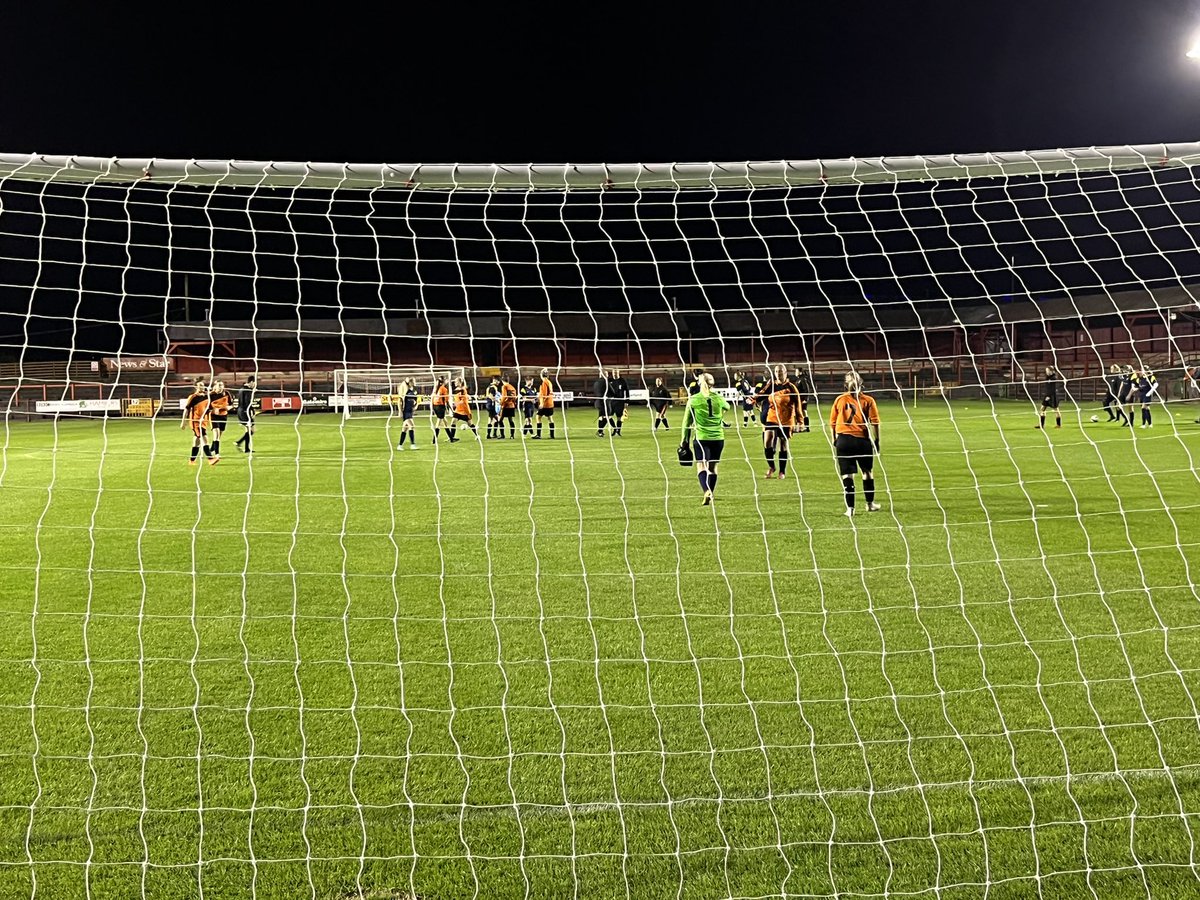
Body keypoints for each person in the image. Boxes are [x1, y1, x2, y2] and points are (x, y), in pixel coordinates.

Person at [830, 371, 881, 518]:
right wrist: (877, 441)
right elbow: (875, 422)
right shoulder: (868, 400)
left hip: (844, 440)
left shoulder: (839, 399)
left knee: (847, 475)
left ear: (845, 385)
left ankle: (850, 509)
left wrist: (835, 439)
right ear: (861, 383)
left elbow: (832, 423)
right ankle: (870, 504)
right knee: (867, 472)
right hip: (862, 441)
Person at [681, 372, 731, 506]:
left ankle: (706, 491)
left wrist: (684, 440)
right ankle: (711, 492)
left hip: (702, 438)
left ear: (699, 383)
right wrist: (719, 415)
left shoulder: (693, 400)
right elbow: (728, 406)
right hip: (718, 438)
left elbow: (686, 423)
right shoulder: (718, 398)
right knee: (713, 467)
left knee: (701, 466)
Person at [763, 365, 801, 479]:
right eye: (776, 371)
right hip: (772, 417)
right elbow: (762, 393)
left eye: (780, 371)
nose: (778, 373)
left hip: (786, 419)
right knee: (767, 440)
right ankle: (771, 466)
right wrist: (754, 399)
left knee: (783, 444)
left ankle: (782, 471)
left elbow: (798, 405)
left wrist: (800, 421)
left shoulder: (791, 387)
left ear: (785, 372)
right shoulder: (771, 385)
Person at [180, 377, 217, 466]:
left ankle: (192, 460)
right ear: (196, 387)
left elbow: (209, 409)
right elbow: (186, 409)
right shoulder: (193, 397)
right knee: (204, 438)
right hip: (195, 422)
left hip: (203, 421)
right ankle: (210, 459)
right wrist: (183, 422)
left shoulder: (206, 397)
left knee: (196, 441)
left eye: (203, 385)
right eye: (200, 385)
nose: (202, 387)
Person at [207, 379, 230, 459]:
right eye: (219, 385)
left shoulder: (226, 394)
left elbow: (232, 405)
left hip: (223, 416)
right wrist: (212, 410)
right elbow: (207, 407)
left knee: (219, 436)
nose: (221, 387)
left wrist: (227, 408)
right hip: (214, 416)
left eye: (222, 385)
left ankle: (212, 449)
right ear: (215, 386)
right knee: (216, 434)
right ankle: (217, 454)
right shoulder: (211, 395)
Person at [234, 374, 256, 455]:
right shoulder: (248, 390)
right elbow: (247, 403)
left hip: (240, 411)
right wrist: (252, 411)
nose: (254, 385)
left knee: (248, 430)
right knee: (252, 430)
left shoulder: (241, 389)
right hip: (245, 411)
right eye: (254, 383)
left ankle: (247, 448)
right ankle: (239, 442)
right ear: (251, 382)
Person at [396, 379, 420, 449]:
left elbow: (414, 402)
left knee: (404, 429)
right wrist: (400, 411)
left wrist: (415, 406)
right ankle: (412, 445)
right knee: (411, 426)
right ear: (409, 382)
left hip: (410, 412)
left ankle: (400, 445)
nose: (414, 383)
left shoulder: (413, 392)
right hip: (405, 411)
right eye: (413, 381)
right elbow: (400, 401)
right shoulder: (405, 391)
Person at [1037, 366, 1062, 430]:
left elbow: (1053, 389)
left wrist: (1049, 396)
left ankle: (1058, 425)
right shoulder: (1048, 377)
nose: (1047, 372)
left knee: (1056, 410)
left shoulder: (1054, 378)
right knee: (1042, 409)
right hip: (1047, 395)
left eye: (1048, 371)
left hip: (1052, 396)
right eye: (1046, 371)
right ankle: (1041, 425)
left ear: (1052, 371)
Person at [534, 368, 556, 439]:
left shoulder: (544, 383)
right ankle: (552, 435)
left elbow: (544, 395)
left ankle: (538, 435)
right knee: (550, 418)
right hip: (550, 403)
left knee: (538, 417)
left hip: (545, 404)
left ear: (541, 375)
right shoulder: (549, 382)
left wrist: (542, 403)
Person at [609, 368, 629, 436]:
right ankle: (614, 428)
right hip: (611, 402)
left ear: (618, 373)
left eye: (616, 372)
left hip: (620, 402)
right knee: (608, 416)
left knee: (619, 418)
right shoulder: (609, 381)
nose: (614, 373)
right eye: (613, 372)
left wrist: (627, 401)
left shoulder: (622, 381)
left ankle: (618, 431)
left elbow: (627, 391)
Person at [793, 367, 813, 432]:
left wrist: (805, 399)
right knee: (801, 412)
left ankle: (804, 428)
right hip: (798, 399)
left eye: (796, 371)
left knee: (802, 412)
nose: (795, 373)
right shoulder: (798, 380)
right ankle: (802, 428)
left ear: (800, 372)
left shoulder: (802, 379)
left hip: (802, 400)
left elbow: (806, 390)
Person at [431, 375, 450, 442]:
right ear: (444, 381)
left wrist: (432, 407)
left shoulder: (436, 388)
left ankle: (451, 438)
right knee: (439, 422)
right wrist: (448, 408)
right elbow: (446, 400)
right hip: (440, 406)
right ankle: (434, 440)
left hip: (435, 406)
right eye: (446, 380)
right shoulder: (443, 389)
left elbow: (433, 398)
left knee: (445, 422)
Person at [592, 368, 611, 436]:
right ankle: (600, 431)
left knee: (601, 417)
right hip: (604, 402)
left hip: (597, 402)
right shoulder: (606, 382)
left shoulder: (596, 383)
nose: (608, 376)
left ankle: (600, 432)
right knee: (608, 416)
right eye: (607, 374)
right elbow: (612, 391)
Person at [499, 373, 518, 438]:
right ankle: (512, 435)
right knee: (511, 420)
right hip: (512, 405)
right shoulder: (512, 387)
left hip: (506, 405)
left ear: (502, 380)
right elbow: (515, 397)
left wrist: (501, 403)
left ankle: (502, 435)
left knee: (500, 420)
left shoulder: (504, 386)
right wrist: (514, 403)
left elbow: (504, 396)